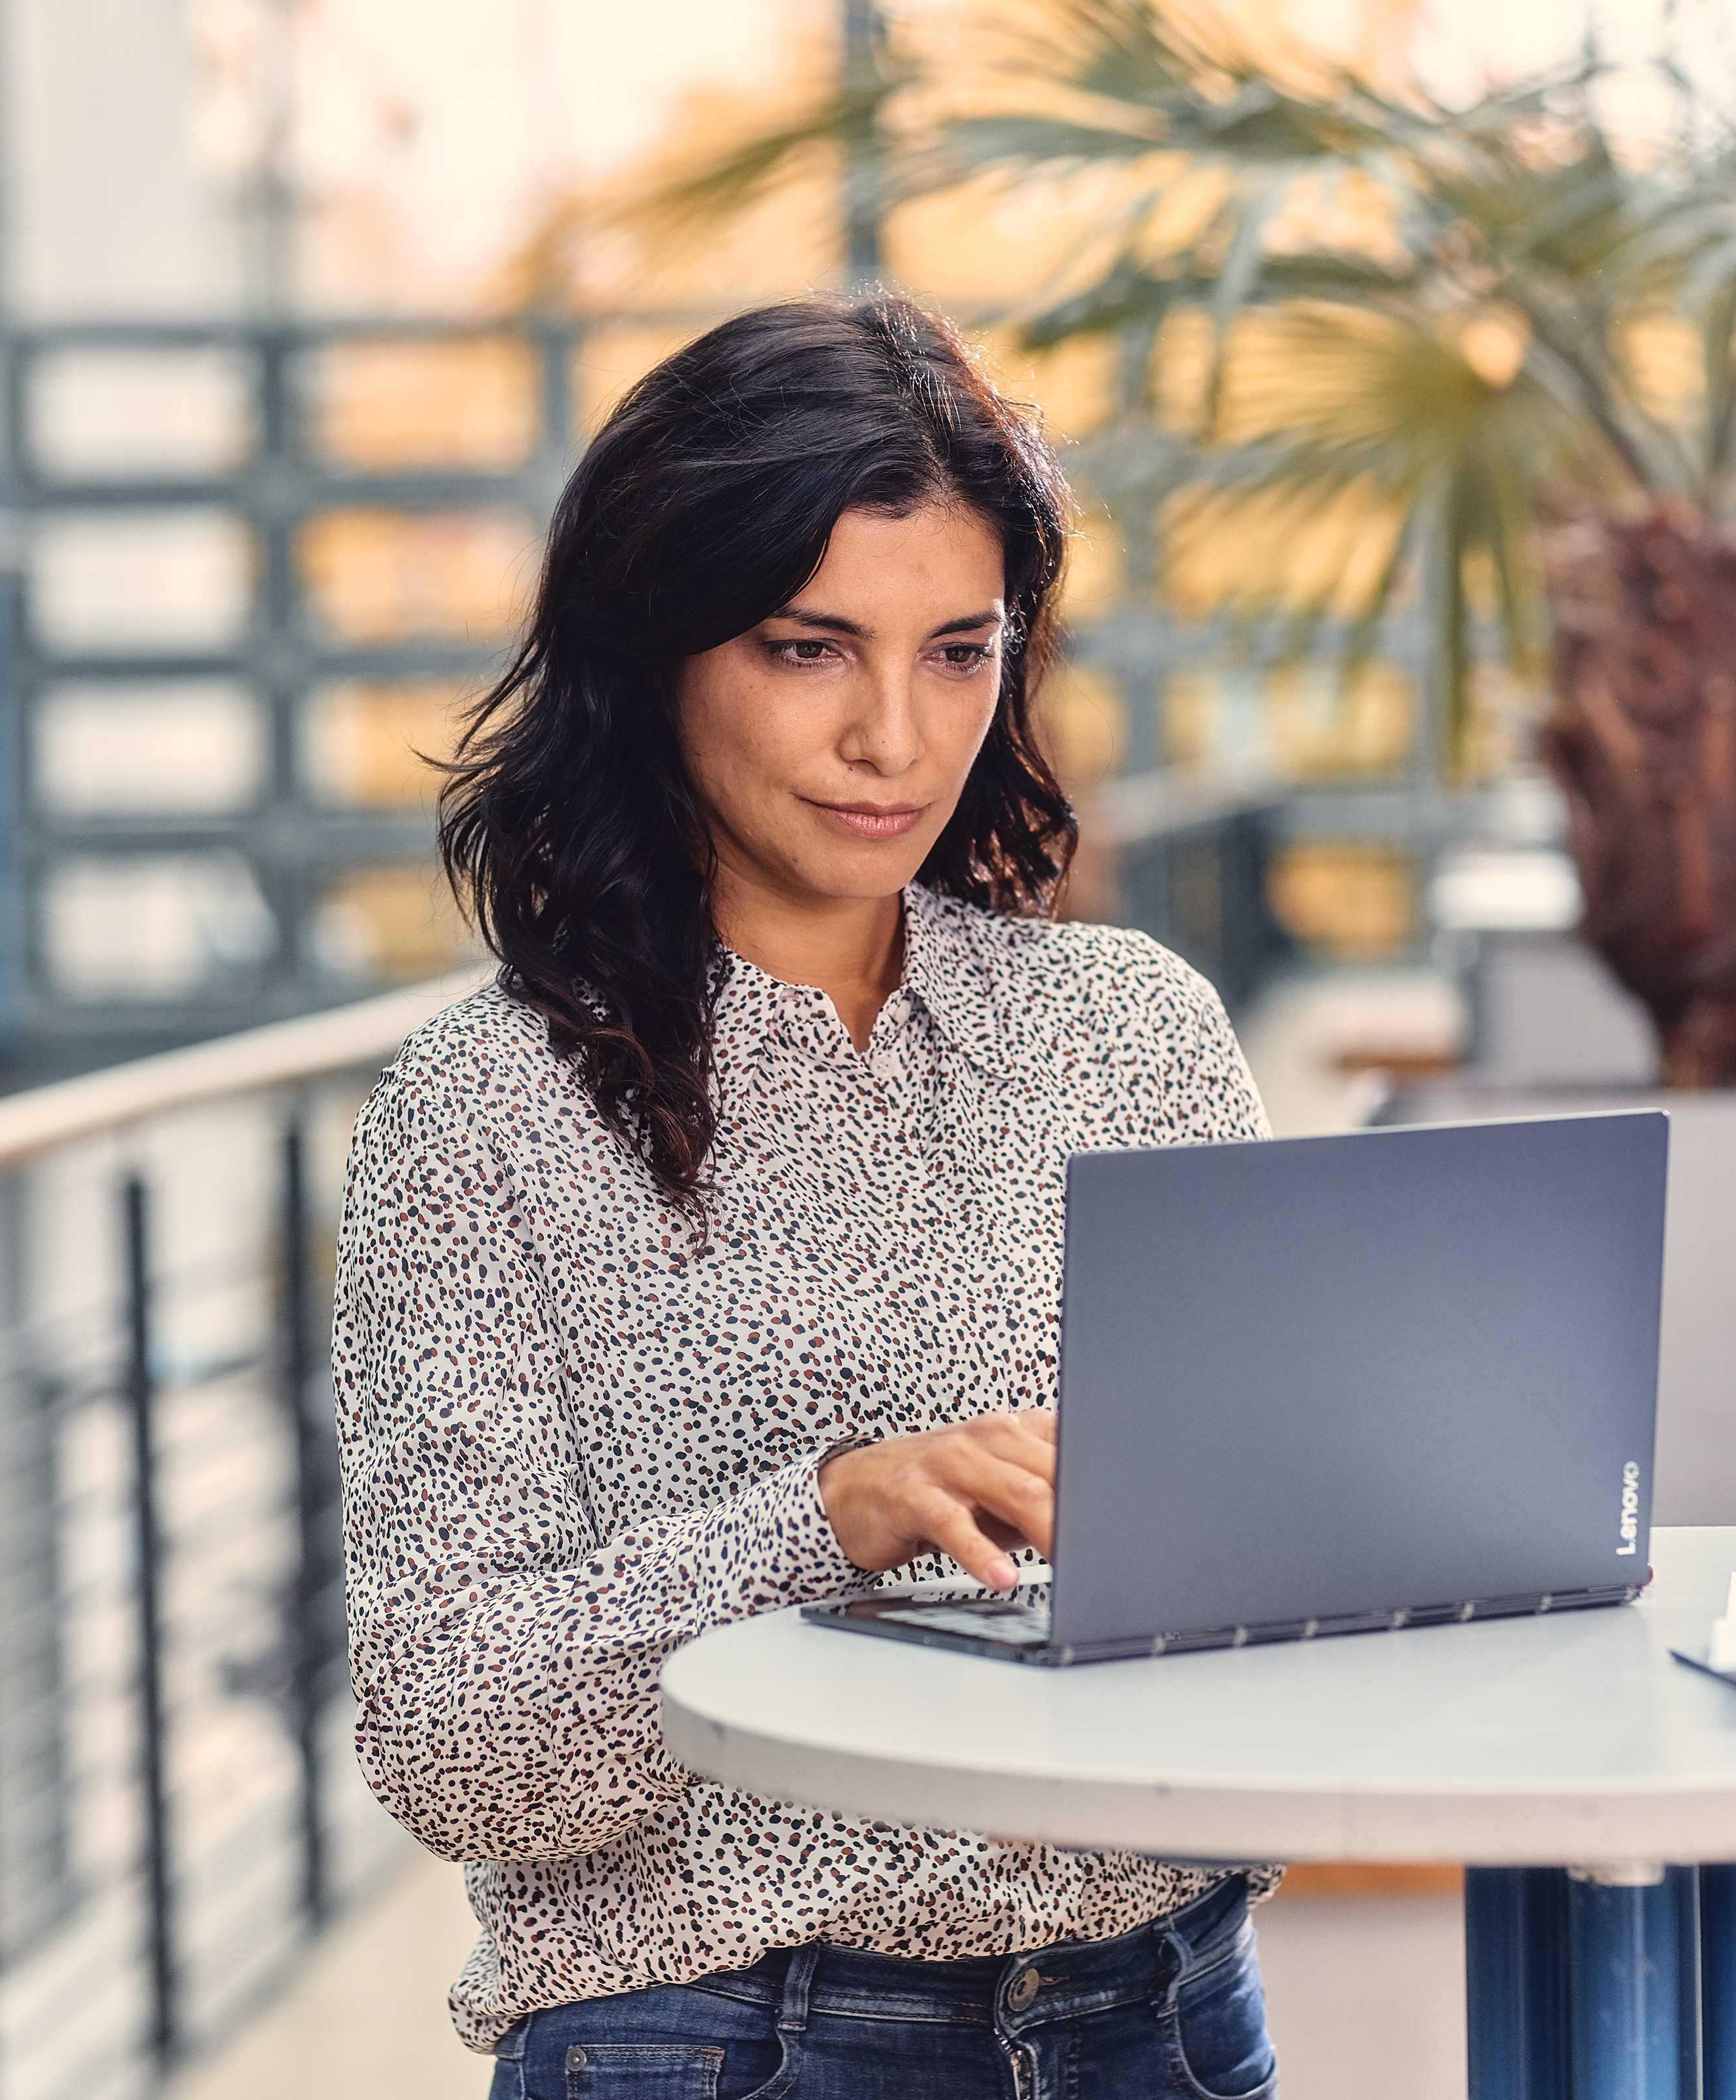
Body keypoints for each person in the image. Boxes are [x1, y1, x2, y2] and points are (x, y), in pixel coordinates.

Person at [334, 295, 1282, 2099]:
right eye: (806, 648)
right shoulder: (477, 1119)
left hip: (1154, 2013)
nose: (893, 738)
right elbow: (452, 1746)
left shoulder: (1132, 1031)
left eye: (957, 651)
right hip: (720, 2037)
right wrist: (830, 1518)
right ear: (655, 649)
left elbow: (1248, 1561)